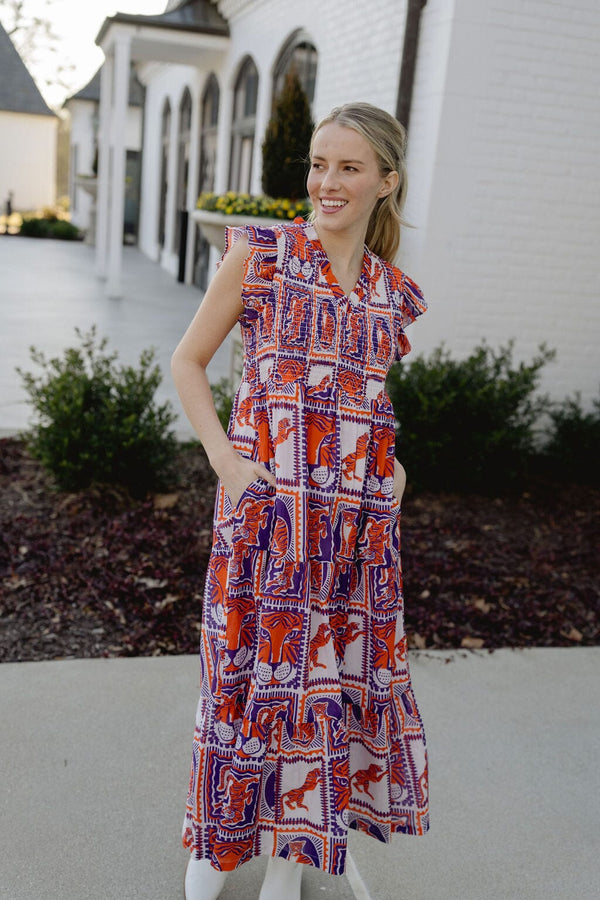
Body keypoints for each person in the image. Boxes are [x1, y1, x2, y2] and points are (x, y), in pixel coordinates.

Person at [171, 101, 430, 900]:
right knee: (247, 683)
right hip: (266, 523)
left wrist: (394, 475)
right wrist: (225, 459)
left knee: (331, 690)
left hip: (355, 538)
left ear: (387, 181)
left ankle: (297, 854)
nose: (326, 182)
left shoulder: (393, 294)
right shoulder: (264, 255)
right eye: (319, 164)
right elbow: (189, 363)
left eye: (348, 167)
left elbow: (366, 404)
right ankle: (219, 848)